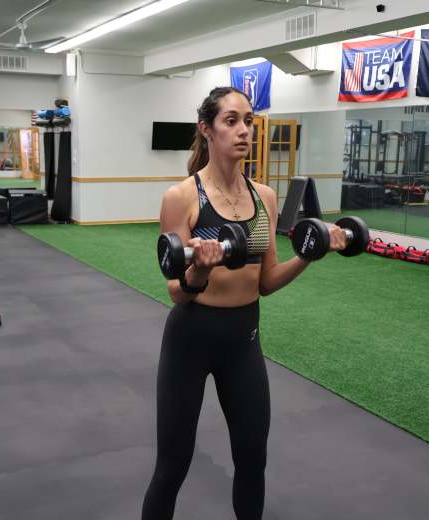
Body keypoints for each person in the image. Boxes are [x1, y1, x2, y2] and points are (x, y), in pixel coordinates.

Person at [141, 87, 349, 520]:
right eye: (231, 120)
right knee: (173, 464)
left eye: (249, 121)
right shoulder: (181, 197)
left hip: (243, 340)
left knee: (253, 458)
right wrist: (199, 270)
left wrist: (308, 255)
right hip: (190, 339)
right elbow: (176, 290)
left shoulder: (265, 198)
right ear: (207, 128)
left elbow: (267, 281)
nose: (243, 131)